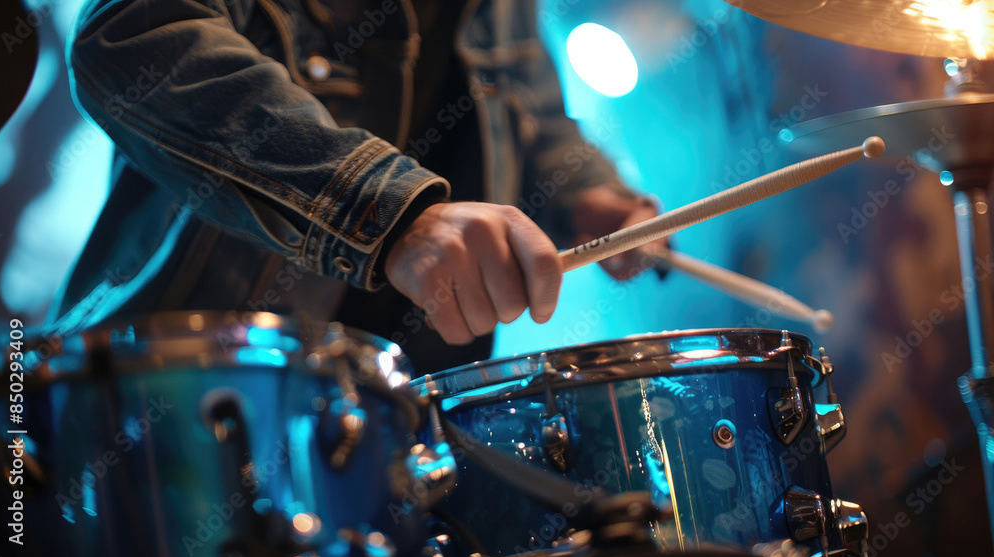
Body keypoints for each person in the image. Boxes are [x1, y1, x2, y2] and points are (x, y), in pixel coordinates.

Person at [52, 0, 668, 374]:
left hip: (401, 411)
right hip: (184, 384)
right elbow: (133, 35)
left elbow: (538, 120)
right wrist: (394, 217)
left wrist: (587, 190)